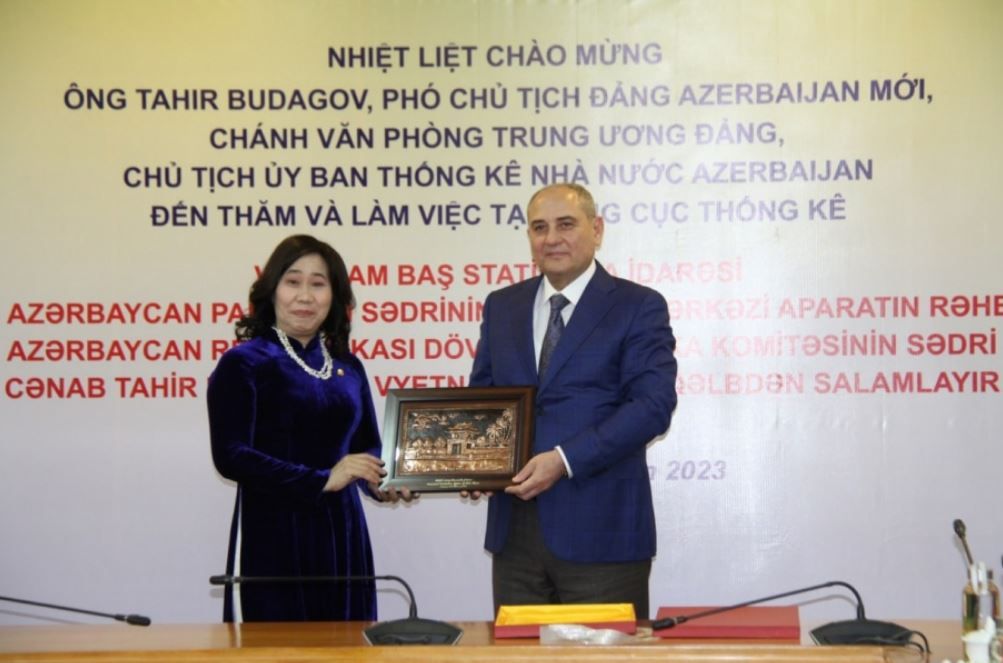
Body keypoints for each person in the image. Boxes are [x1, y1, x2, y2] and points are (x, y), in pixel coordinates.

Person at [468, 183, 678, 619]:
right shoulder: (502, 306)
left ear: (596, 230)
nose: (552, 239)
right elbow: (484, 403)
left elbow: (651, 406)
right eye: (539, 228)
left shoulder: (638, 306)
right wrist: (474, 463)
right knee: (520, 652)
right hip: (515, 538)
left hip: (604, 535)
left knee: (605, 653)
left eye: (566, 225)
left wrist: (564, 460)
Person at [208, 234, 412, 622]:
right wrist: (321, 479)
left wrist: (384, 481)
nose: (305, 296)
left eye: (318, 284)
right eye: (293, 281)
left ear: (335, 297)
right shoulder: (244, 363)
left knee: (347, 642)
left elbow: (368, 447)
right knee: (277, 645)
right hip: (272, 532)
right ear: (272, 290)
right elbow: (230, 455)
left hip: (344, 532)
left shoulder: (348, 366)